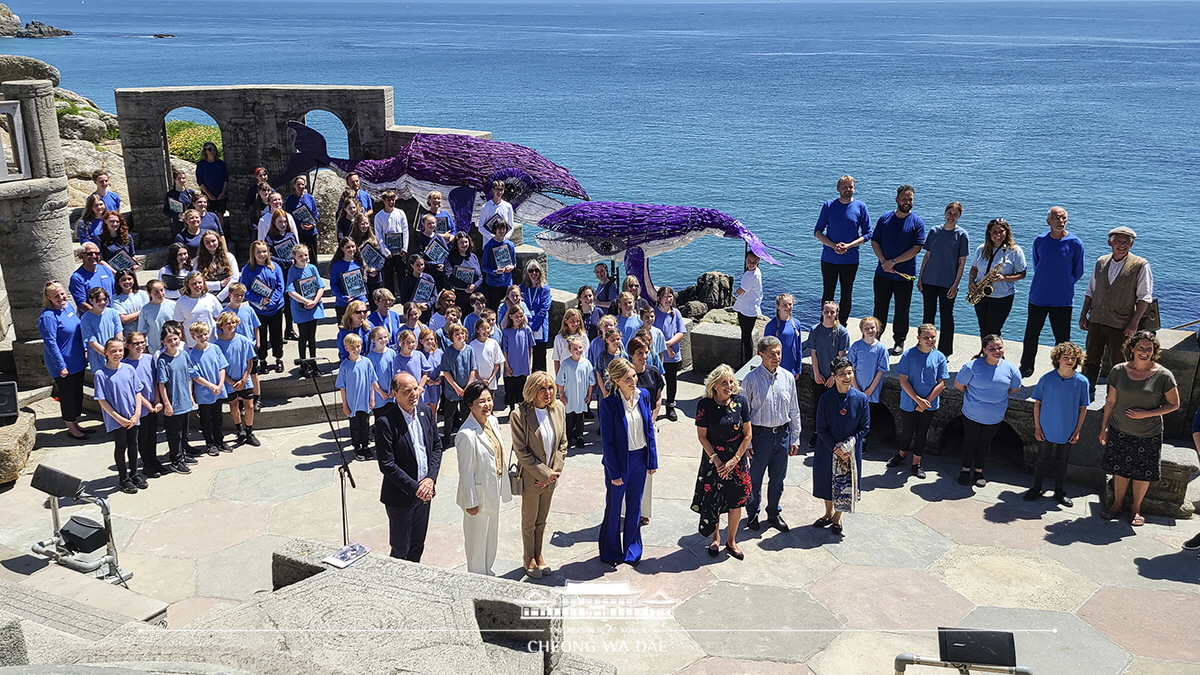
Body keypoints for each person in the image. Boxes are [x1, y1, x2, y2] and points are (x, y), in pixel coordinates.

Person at [1098, 331, 1179, 526]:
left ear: (1154, 351)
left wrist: (1147, 414)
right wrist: (1104, 428)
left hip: (1148, 433)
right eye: (1140, 348)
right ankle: (1116, 505)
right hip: (1119, 429)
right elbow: (1110, 401)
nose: (1145, 352)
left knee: (1142, 474)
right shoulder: (1118, 370)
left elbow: (1174, 404)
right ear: (1132, 349)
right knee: (1120, 471)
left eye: (1149, 349)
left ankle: (1136, 509)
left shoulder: (1163, 375)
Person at [375, 372, 444, 562]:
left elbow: (436, 447)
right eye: (407, 391)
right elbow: (387, 465)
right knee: (400, 550)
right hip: (401, 497)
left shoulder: (425, 412)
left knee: (417, 545)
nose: (414, 393)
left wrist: (430, 479)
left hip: (425, 494)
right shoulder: (385, 422)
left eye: (416, 389)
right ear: (395, 394)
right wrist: (417, 489)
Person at [597, 358, 658, 567]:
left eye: (633, 376)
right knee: (614, 507)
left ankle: (632, 549)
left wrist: (652, 459)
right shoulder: (608, 404)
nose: (633, 381)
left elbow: (649, 429)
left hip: (640, 459)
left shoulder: (644, 396)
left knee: (635, 505)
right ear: (616, 381)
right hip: (619, 463)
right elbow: (608, 442)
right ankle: (611, 550)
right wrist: (614, 473)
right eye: (627, 379)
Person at [1080, 226, 1153, 394]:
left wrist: (1133, 323)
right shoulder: (1101, 262)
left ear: (1131, 244)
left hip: (1121, 324)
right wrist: (1084, 315)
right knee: (1091, 359)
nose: (1122, 245)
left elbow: (1144, 298)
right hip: (1097, 320)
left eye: (1126, 242)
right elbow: (1090, 291)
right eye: (1118, 241)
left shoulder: (1140, 265)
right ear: (1109, 243)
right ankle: (1085, 391)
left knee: (1119, 363)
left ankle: (1114, 397)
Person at [691, 363, 753, 559]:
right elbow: (702, 436)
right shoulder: (704, 405)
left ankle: (731, 540)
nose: (729, 386)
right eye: (724, 382)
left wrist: (735, 460)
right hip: (713, 461)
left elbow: (747, 435)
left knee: (736, 502)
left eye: (731, 382)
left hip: (737, 462)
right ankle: (715, 538)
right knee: (714, 501)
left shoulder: (741, 402)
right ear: (714, 385)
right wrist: (717, 460)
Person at [740, 336, 801, 531]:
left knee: (778, 479)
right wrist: (747, 442)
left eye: (779, 353)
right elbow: (744, 413)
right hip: (759, 436)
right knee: (755, 478)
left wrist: (795, 437)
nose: (776, 357)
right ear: (761, 355)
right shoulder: (750, 380)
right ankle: (752, 514)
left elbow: (794, 409)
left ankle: (774, 513)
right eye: (772, 354)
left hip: (782, 434)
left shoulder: (788, 377)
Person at [510, 371, 568, 577]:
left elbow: (563, 442)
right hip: (531, 478)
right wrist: (543, 474)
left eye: (550, 388)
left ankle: (539, 554)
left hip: (552, 477)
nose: (548, 393)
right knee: (529, 520)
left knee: (541, 519)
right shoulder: (519, 415)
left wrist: (555, 472)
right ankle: (528, 558)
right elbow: (521, 451)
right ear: (532, 390)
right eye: (542, 388)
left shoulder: (558, 409)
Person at [1019, 207, 1086, 378]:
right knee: (1031, 335)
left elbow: (1078, 271)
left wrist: (1064, 283)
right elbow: (1037, 264)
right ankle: (1026, 367)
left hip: (1062, 300)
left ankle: (1061, 369)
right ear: (1048, 221)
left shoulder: (1075, 243)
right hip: (1038, 296)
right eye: (1056, 218)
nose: (1060, 221)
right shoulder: (1040, 241)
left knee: (1062, 339)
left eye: (1063, 218)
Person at [455, 381, 512, 576]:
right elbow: (466, 472)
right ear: (470, 404)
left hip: (493, 487)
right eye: (481, 402)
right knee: (476, 540)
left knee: (490, 536)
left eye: (489, 400)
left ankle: (488, 571)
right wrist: (471, 502)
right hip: (477, 495)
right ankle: (477, 576)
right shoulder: (466, 434)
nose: (487, 405)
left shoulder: (493, 422)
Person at [954, 335, 1023, 488]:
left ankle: (979, 471)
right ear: (984, 350)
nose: (996, 351)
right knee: (970, 441)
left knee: (985, 443)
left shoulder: (1010, 369)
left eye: (999, 348)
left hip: (995, 416)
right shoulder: (972, 366)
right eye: (992, 348)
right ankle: (965, 469)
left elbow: (1014, 389)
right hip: (972, 413)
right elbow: (959, 384)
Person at [1025, 341, 1089, 506]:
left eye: (1073, 358)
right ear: (1058, 359)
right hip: (1047, 426)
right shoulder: (1047, 379)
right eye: (1066, 357)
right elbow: (1037, 403)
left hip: (1068, 428)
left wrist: (1078, 430)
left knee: (1062, 459)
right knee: (1042, 457)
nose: (1069, 361)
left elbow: (1083, 407)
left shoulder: (1082, 382)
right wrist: (1038, 426)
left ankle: (1059, 491)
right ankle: (1036, 487)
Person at [812, 357, 869, 536]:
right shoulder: (825, 399)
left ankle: (837, 517)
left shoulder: (861, 399)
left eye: (849, 373)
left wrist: (848, 445)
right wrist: (835, 448)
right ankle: (828, 513)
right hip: (827, 448)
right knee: (826, 482)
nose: (846, 377)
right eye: (842, 374)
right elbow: (820, 427)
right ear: (834, 376)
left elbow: (864, 427)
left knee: (845, 485)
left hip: (850, 451)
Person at [888, 324, 949, 479]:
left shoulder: (940, 357)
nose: (929, 340)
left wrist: (925, 402)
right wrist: (917, 400)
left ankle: (916, 463)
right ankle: (901, 454)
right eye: (926, 337)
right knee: (907, 431)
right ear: (918, 338)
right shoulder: (909, 355)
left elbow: (942, 383)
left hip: (930, 404)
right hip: (909, 401)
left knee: (922, 433)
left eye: (932, 337)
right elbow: (903, 380)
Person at [871, 185, 926, 356]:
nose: (907, 202)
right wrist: (884, 262)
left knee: (902, 310)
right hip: (882, 274)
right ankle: (876, 339)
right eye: (904, 199)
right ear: (897, 199)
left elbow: (917, 248)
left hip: (904, 275)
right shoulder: (885, 219)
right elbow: (875, 241)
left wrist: (893, 262)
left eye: (910, 199)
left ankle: (899, 341)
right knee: (880, 308)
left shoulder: (917, 222)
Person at [814, 175, 872, 326]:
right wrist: (833, 246)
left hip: (851, 259)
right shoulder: (828, 205)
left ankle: (842, 325)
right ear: (838, 189)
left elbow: (868, 234)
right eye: (844, 187)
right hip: (829, 258)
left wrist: (849, 246)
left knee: (846, 294)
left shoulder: (860, 206)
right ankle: (825, 323)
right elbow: (818, 232)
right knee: (828, 293)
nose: (848, 190)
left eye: (850, 187)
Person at [93, 337, 148, 494]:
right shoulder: (101, 374)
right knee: (121, 446)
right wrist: (117, 418)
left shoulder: (129, 369)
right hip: (117, 418)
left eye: (120, 350)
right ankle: (123, 478)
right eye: (113, 351)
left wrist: (137, 413)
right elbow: (101, 399)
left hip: (132, 415)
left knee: (133, 444)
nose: (117, 353)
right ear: (106, 352)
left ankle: (134, 473)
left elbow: (137, 391)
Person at [917, 201, 970, 356]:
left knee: (946, 317)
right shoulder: (934, 231)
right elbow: (927, 256)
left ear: (959, 216)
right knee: (928, 315)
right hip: (929, 280)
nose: (951, 217)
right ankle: (925, 346)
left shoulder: (961, 235)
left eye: (955, 214)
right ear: (944, 213)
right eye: (949, 213)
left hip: (948, 283)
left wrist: (955, 285)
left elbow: (962, 263)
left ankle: (945, 351)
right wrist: (920, 278)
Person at [39, 282, 90, 440]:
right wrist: (61, 366)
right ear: (48, 298)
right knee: (68, 396)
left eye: (62, 294)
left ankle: (75, 422)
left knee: (77, 394)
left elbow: (78, 329)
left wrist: (85, 349)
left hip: (77, 360)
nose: (61, 298)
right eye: (56, 296)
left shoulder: (68, 307)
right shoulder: (47, 317)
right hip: (64, 365)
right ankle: (71, 427)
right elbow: (51, 343)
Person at [968, 217, 1027, 338]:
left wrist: (1003, 277)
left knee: (994, 330)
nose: (998, 234)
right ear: (989, 233)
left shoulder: (1014, 251)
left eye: (1001, 231)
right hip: (982, 294)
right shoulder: (981, 249)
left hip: (1002, 297)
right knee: (983, 327)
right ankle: (984, 353)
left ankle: (995, 355)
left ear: (1007, 232)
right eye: (994, 232)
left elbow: (1022, 274)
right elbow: (974, 269)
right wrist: (971, 282)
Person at [121, 332, 166, 478]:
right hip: (140, 407)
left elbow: (154, 380)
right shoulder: (125, 365)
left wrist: (158, 400)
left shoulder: (149, 358)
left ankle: (154, 460)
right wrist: (147, 405)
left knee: (152, 436)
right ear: (128, 345)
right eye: (135, 343)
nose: (140, 346)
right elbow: (134, 389)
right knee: (143, 437)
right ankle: (147, 464)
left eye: (142, 342)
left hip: (154, 404)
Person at [807, 301, 850, 449]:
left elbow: (841, 358)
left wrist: (833, 376)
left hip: (834, 378)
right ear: (822, 312)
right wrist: (817, 373)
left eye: (832, 312)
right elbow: (813, 354)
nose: (829, 314)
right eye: (826, 311)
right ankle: (817, 433)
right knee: (818, 405)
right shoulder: (815, 330)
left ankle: (832, 434)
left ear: (836, 313)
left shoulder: (842, 332)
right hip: (818, 375)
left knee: (833, 406)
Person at [240, 241, 287, 374]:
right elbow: (245, 290)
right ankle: (262, 360)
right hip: (258, 310)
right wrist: (260, 301)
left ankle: (278, 358)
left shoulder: (275, 267)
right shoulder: (248, 270)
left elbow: (280, 287)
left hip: (276, 308)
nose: (262, 254)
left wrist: (271, 302)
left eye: (264, 251)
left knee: (276, 334)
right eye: (258, 252)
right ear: (253, 254)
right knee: (261, 336)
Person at [215, 312, 259, 448]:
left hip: (244, 379)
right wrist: (229, 381)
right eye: (227, 323)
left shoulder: (243, 340)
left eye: (233, 323)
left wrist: (244, 378)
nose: (231, 326)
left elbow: (250, 360)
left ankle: (250, 431)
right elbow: (219, 366)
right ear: (221, 326)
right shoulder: (217, 345)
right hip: (229, 382)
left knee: (249, 406)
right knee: (233, 405)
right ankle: (240, 430)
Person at [156, 322, 195, 473]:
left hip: (185, 399)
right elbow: (162, 384)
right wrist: (167, 404)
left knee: (184, 431)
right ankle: (176, 460)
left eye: (175, 339)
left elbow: (188, 377)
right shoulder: (162, 360)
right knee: (175, 434)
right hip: (173, 401)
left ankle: (183, 454)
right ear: (163, 342)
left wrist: (190, 394)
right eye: (169, 340)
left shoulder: (184, 354)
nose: (173, 343)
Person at [337, 333, 382, 462]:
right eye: (353, 347)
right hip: (352, 403)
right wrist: (345, 405)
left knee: (365, 424)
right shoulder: (344, 366)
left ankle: (365, 445)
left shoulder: (367, 362)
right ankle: (357, 447)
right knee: (355, 426)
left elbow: (372, 381)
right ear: (347, 349)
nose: (356, 350)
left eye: (358, 346)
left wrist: (372, 398)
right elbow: (342, 387)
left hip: (365, 401)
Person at [189, 321, 230, 456]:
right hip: (204, 393)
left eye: (205, 334)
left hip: (218, 389)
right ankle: (210, 443)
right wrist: (211, 385)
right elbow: (195, 376)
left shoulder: (215, 348)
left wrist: (220, 384)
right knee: (206, 419)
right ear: (193, 336)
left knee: (218, 416)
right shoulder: (192, 354)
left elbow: (222, 367)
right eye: (199, 335)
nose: (203, 338)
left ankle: (219, 440)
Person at [847, 316, 890, 440]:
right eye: (867, 328)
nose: (870, 330)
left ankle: (864, 439)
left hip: (872, 389)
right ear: (861, 329)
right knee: (854, 413)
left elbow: (881, 370)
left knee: (868, 415)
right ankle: (852, 437)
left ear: (877, 329)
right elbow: (850, 368)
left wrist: (871, 389)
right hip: (856, 387)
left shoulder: (881, 348)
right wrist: (855, 387)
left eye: (872, 328)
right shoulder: (856, 346)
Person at [285, 244, 325, 376]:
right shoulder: (293, 271)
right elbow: (290, 291)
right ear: (294, 257)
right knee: (303, 336)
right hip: (300, 309)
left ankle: (313, 363)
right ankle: (303, 363)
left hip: (313, 307)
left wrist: (314, 301)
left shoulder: (312, 268)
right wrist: (305, 301)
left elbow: (321, 286)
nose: (304, 258)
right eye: (300, 256)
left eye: (306, 255)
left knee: (312, 337)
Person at [439, 323, 478, 444]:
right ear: (452, 337)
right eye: (457, 334)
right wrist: (456, 387)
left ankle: (465, 436)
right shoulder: (448, 352)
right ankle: (446, 437)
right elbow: (446, 372)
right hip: (452, 390)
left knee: (466, 413)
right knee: (449, 415)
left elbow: (473, 368)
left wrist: (468, 386)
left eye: (462, 333)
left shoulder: (469, 349)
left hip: (466, 388)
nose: (460, 336)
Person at [652, 286, 686, 421]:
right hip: (658, 355)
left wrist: (669, 344)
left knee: (672, 381)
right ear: (659, 299)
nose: (668, 299)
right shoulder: (654, 313)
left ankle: (670, 405)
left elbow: (681, 332)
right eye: (665, 297)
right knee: (657, 382)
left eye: (670, 296)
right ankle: (654, 405)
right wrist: (665, 348)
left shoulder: (676, 313)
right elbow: (653, 333)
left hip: (673, 355)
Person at [264, 209, 299, 340]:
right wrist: (286, 262)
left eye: (284, 221)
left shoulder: (290, 235)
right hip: (278, 274)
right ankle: (277, 333)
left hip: (292, 272)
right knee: (280, 302)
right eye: (280, 222)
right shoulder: (269, 238)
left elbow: (296, 250)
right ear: (274, 222)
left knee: (291, 302)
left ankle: (289, 329)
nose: (283, 224)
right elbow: (269, 256)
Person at [556, 335, 594, 448]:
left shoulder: (586, 363)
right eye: (575, 348)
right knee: (569, 418)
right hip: (569, 396)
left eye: (580, 348)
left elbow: (591, 381)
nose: (578, 351)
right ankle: (567, 437)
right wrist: (561, 394)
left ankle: (579, 436)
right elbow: (560, 381)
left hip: (581, 397)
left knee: (580, 417)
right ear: (570, 350)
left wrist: (589, 394)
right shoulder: (566, 364)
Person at [373, 190, 409, 294]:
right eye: (388, 200)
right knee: (388, 275)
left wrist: (404, 248)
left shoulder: (400, 213)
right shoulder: (379, 216)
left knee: (401, 273)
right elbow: (378, 234)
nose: (391, 202)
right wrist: (385, 251)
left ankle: (404, 295)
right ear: (383, 201)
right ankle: (390, 296)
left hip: (400, 250)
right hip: (387, 251)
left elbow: (405, 230)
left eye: (393, 200)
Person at [80, 286, 123, 373]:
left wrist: (115, 352)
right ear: (91, 301)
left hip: (115, 355)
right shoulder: (86, 318)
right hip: (98, 358)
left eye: (105, 299)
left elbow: (119, 334)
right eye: (98, 300)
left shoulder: (113, 313)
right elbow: (92, 342)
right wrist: (108, 355)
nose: (102, 302)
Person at [174, 272, 223, 347]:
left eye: (199, 282)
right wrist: (182, 340)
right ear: (187, 285)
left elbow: (220, 319)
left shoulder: (211, 298)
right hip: (191, 343)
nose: (197, 286)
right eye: (194, 283)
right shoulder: (181, 302)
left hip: (210, 341)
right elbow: (178, 324)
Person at [731, 251, 762, 365]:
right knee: (745, 335)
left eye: (754, 261)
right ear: (745, 260)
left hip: (749, 309)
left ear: (758, 261)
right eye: (749, 261)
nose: (751, 263)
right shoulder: (752, 272)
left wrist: (736, 290)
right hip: (744, 306)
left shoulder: (753, 275)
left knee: (746, 336)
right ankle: (746, 360)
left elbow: (740, 291)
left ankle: (747, 361)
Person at [520, 260, 552, 372]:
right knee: (523, 355)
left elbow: (544, 309)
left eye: (536, 270)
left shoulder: (545, 289)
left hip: (540, 327)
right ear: (527, 273)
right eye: (531, 270)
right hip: (525, 324)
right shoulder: (522, 288)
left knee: (539, 357)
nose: (534, 273)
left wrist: (533, 328)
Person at [502, 306, 534, 414]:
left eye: (521, 316)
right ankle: (511, 410)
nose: (519, 318)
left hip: (522, 364)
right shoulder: (506, 331)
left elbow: (530, 346)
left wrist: (529, 362)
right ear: (510, 316)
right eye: (516, 316)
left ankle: (521, 411)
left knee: (522, 389)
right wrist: (506, 366)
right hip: (511, 364)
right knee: (510, 390)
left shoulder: (526, 329)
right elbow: (504, 350)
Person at [329, 237, 368, 324]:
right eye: (348, 247)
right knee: (345, 333)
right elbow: (333, 285)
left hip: (360, 303)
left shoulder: (360, 262)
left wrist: (370, 275)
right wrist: (342, 297)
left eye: (353, 246)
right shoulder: (337, 266)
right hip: (343, 304)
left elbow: (365, 279)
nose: (351, 249)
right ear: (342, 249)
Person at [763, 293, 804, 375]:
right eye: (784, 305)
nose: (788, 307)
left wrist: (798, 369)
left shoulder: (796, 324)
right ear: (778, 306)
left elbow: (798, 348)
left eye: (790, 304)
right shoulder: (771, 326)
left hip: (791, 369)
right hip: (775, 369)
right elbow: (766, 351)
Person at [192, 230, 238, 302]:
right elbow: (195, 281)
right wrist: (219, 284)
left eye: (213, 241)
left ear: (218, 241)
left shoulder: (229, 257)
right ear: (203, 244)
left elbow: (234, 279)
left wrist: (219, 298)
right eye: (207, 242)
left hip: (227, 298)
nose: (211, 244)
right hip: (206, 298)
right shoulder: (198, 260)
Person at [469, 314, 505, 404]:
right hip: (477, 380)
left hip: (490, 380)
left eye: (488, 328)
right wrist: (480, 379)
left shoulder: (494, 343)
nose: (486, 331)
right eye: (483, 328)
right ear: (477, 330)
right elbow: (472, 365)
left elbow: (497, 363)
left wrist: (491, 378)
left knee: (490, 401)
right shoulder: (472, 345)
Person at [480, 219, 516, 309]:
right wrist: (495, 271)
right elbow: (484, 267)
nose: (501, 231)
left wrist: (512, 267)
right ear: (495, 230)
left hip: (507, 283)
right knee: (493, 309)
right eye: (499, 229)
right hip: (493, 284)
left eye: (503, 228)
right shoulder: (488, 246)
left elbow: (514, 263)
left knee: (509, 308)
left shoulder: (510, 245)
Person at [69, 242, 115, 312]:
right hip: (93, 317)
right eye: (89, 254)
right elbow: (81, 304)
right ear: (81, 256)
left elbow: (114, 292)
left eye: (97, 253)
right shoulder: (77, 278)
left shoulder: (106, 270)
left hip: (111, 313)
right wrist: (98, 314)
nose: (94, 256)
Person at [412, 213, 453, 288]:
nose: (431, 225)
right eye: (429, 223)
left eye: (433, 223)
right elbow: (421, 258)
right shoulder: (419, 240)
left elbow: (446, 253)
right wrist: (435, 265)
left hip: (442, 272)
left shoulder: (439, 238)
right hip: (428, 273)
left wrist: (444, 265)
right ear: (423, 224)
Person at [194, 142, 228, 227]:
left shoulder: (221, 164)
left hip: (221, 194)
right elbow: (200, 181)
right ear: (205, 151)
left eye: (213, 149)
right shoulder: (201, 165)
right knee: (209, 215)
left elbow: (225, 179)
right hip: (207, 195)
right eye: (209, 149)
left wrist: (223, 193)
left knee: (220, 214)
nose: (212, 151)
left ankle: (221, 234)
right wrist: (209, 195)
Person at [137, 280, 176, 353]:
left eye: (161, 290)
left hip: (173, 346)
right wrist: (145, 347)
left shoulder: (173, 305)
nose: (160, 293)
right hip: (155, 348)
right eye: (156, 292)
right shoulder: (146, 309)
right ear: (149, 293)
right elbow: (142, 330)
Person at [445, 232, 482, 310]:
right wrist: (465, 286)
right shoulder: (450, 257)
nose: (464, 244)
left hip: (473, 298)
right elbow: (447, 277)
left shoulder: (473, 257)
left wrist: (474, 286)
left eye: (466, 242)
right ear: (456, 244)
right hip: (457, 297)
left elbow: (480, 277)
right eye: (461, 242)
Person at [284, 175, 319, 254]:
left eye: (302, 184)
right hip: (299, 231)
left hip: (311, 231)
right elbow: (288, 216)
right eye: (298, 184)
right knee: (300, 254)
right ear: (294, 186)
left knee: (313, 254)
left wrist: (313, 224)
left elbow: (315, 212)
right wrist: (300, 224)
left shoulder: (310, 198)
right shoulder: (290, 199)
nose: (301, 186)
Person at [399, 254, 438, 322]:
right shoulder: (407, 280)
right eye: (417, 265)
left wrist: (428, 305)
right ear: (412, 265)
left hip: (427, 313)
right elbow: (404, 299)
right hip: (413, 315)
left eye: (422, 264)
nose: (420, 267)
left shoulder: (429, 278)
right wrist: (414, 305)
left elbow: (434, 296)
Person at [418, 328, 444, 422]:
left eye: (431, 339)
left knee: (434, 408)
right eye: (426, 339)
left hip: (435, 385)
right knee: (424, 408)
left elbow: (443, 368)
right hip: (424, 385)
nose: (429, 341)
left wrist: (440, 377)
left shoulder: (439, 353)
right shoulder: (419, 354)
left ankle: (433, 430)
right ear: (421, 341)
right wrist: (426, 379)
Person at [111, 270, 147, 335]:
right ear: (118, 282)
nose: (127, 282)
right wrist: (142, 311)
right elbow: (124, 319)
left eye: (129, 279)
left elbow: (148, 314)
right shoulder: (115, 299)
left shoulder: (143, 294)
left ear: (134, 280)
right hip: (129, 335)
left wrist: (132, 317)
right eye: (123, 280)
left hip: (146, 333)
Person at [163, 169, 195, 237]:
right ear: (175, 180)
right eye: (179, 178)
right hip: (178, 224)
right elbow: (165, 211)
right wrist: (178, 215)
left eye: (183, 178)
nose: (181, 180)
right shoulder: (170, 195)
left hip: (191, 222)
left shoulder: (190, 193)